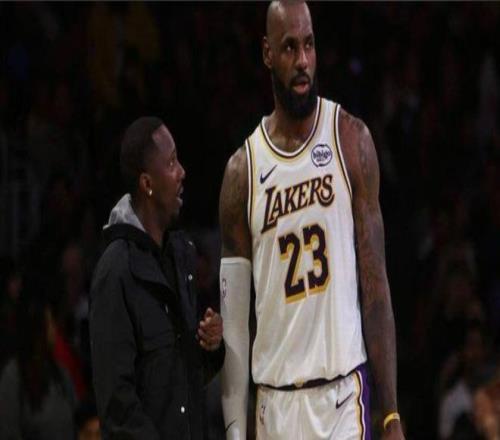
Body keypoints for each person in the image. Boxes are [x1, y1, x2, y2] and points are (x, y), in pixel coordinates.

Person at [218, 1, 404, 439]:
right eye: (289, 48)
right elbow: (235, 328)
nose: (302, 61)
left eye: (309, 45)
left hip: (342, 397)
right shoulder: (242, 173)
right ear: (267, 54)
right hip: (275, 404)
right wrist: (234, 431)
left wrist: (391, 413)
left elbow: (375, 288)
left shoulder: (350, 139)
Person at [89, 116, 225, 439]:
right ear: (147, 183)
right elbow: (118, 408)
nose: (182, 172)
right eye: (172, 162)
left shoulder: (181, 253)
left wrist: (210, 346)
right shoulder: (115, 271)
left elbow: (183, 383)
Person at [0, 288, 76, 439]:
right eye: (49, 323)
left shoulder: (60, 373)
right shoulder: (14, 376)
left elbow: (75, 422)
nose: (54, 330)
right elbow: (9, 433)